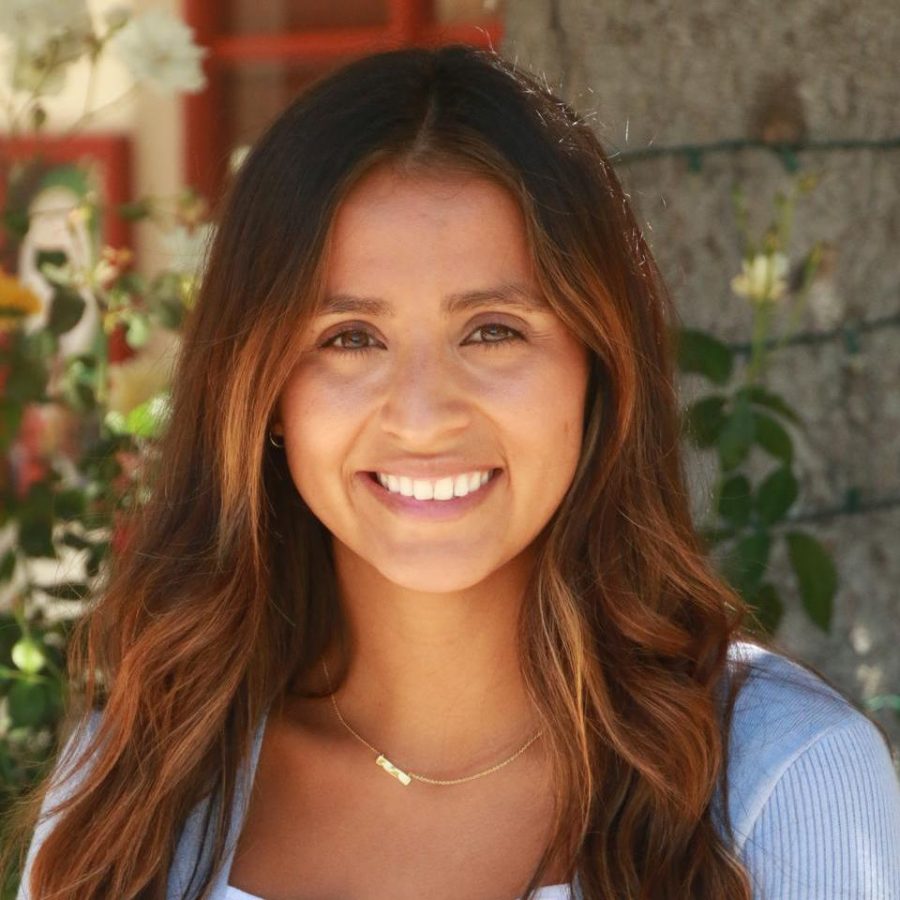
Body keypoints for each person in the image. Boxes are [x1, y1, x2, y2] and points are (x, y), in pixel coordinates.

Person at [5, 44, 900, 900]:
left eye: (494, 330)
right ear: (262, 394)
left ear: (598, 371)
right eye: (349, 338)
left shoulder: (780, 779)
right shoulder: (135, 781)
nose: (424, 415)